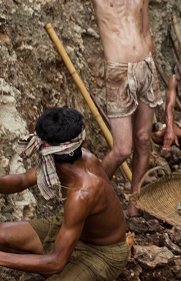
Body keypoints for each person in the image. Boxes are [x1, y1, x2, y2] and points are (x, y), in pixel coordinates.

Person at [60, 0, 162, 217]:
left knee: (144, 140)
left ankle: (134, 202)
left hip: (145, 68)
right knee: (122, 150)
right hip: (118, 72)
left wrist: (151, 65)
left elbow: (146, 31)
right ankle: (88, 196)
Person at [0, 107, 129, 280]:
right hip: (71, 227)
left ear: (47, 151)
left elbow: (56, 262)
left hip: (102, 252)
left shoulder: (82, 193)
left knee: (54, 265)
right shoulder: (77, 157)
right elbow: (22, 180)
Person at [152, 48, 181, 155]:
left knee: (159, 135)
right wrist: (169, 130)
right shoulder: (175, 79)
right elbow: (170, 107)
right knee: (160, 136)